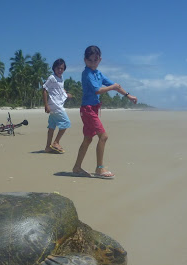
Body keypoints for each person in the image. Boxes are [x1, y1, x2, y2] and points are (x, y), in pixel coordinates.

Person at [72, 45, 137, 179]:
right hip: (88, 109)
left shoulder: (98, 73)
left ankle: (77, 168)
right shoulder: (87, 73)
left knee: (88, 139)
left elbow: (116, 86)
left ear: (100, 60)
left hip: (93, 109)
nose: (93, 63)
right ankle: (99, 168)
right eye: (90, 60)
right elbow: (98, 90)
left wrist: (128, 96)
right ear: (85, 60)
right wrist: (112, 87)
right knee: (103, 136)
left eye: (96, 60)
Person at [43, 59, 72, 154]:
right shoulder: (52, 78)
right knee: (66, 123)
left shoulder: (61, 78)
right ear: (54, 68)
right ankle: (56, 142)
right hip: (55, 105)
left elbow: (60, 89)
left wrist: (66, 94)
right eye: (58, 68)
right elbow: (44, 89)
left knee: (52, 126)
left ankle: (48, 147)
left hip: (57, 104)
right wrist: (46, 105)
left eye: (62, 68)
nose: (60, 70)